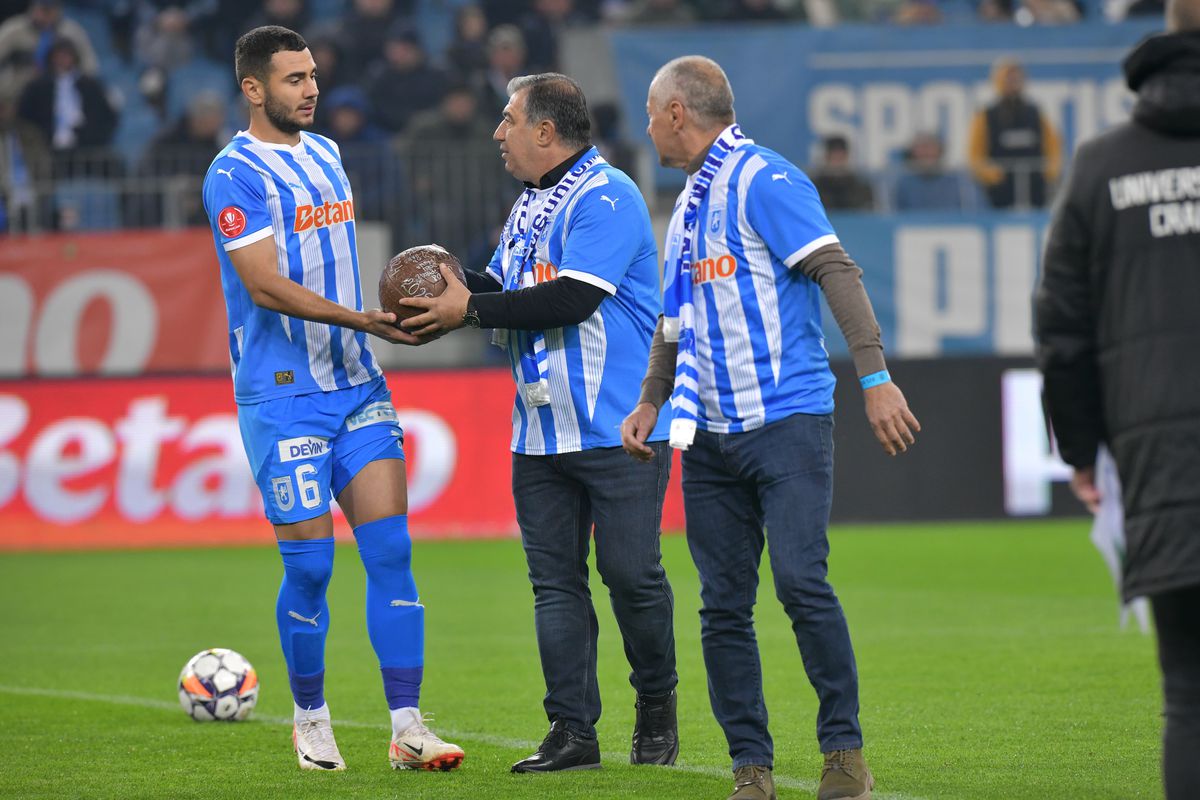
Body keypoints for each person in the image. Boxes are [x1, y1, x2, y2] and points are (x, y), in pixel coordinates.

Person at [623, 56, 920, 800]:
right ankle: (750, 768)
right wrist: (652, 398)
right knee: (722, 605)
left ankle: (844, 753)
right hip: (708, 435)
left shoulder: (766, 179)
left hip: (787, 420)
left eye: (652, 110)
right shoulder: (685, 206)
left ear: (678, 114)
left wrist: (876, 377)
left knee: (799, 581)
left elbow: (837, 271)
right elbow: (672, 322)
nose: (647, 124)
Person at [396, 73, 680, 774]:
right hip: (539, 431)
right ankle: (572, 733)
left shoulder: (608, 195)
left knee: (630, 574)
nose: (498, 133)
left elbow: (572, 299)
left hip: (619, 428)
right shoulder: (528, 206)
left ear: (545, 133)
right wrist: (443, 287)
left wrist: (469, 310)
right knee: (555, 583)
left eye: (509, 120)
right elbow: (501, 288)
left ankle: (656, 701)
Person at [200, 25, 463, 774]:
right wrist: (360, 319)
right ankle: (310, 717)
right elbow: (263, 284)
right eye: (292, 79)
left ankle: (408, 727)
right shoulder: (234, 173)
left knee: (391, 550)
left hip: (356, 384)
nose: (310, 88)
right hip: (282, 396)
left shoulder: (329, 153)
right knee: (312, 568)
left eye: (312, 74)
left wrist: (382, 319)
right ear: (254, 89)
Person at [1033, 2, 1200, 795]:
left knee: (1190, 700)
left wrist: (1084, 450)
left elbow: (1060, 327)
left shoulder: (1103, 168)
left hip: (1162, 468)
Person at [967, 58, 1061, 209]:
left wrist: (1048, 172)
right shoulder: (986, 115)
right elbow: (975, 155)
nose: (1013, 82)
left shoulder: (1035, 113)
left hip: (1035, 189)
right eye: (1008, 78)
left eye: (1017, 78)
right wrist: (993, 175)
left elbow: (1054, 148)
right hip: (999, 193)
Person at [810, 135, 875, 210]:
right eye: (833, 156)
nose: (837, 161)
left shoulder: (862, 189)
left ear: (847, 157)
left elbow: (868, 216)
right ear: (826, 157)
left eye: (840, 156)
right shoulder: (815, 188)